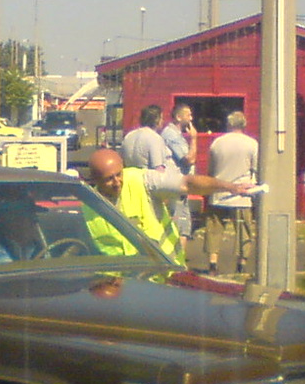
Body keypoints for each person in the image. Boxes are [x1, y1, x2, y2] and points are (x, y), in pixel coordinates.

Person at [82, 147, 257, 267]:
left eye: (119, 174)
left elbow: (187, 184)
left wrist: (231, 187)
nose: (117, 182)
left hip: (166, 273)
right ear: (95, 180)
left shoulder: (141, 180)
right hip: (123, 286)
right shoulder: (88, 208)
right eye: (109, 179)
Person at [204, 111, 260, 274]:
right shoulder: (252, 144)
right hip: (242, 194)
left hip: (219, 190)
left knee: (214, 228)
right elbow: (255, 168)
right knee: (244, 229)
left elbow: (211, 169)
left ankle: (213, 262)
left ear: (228, 124)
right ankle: (241, 263)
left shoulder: (217, 143)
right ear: (244, 125)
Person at [159, 103, 196, 239]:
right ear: (179, 117)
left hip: (180, 187)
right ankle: (174, 259)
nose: (191, 118)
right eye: (188, 115)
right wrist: (194, 139)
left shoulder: (175, 134)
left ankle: (179, 259)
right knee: (178, 228)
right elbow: (189, 159)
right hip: (176, 185)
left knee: (183, 228)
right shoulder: (172, 135)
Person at [0, 199, 46, 263]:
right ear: (7, 220)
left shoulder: (34, 247)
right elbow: (15, 278)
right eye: (28, 217)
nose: (34, 223)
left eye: (34, 218)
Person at [119, 104, 170, 171]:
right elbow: (158, 169)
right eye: (161, 118)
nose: (163, 121)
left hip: (129, 178)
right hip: (146, 179)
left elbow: (122, 162)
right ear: (156, 120)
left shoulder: (129, 136)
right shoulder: (154, 138)